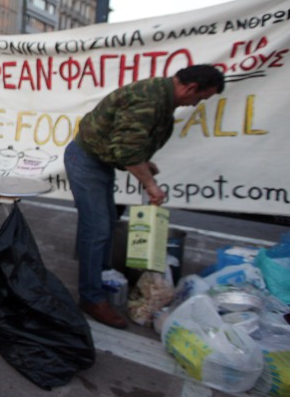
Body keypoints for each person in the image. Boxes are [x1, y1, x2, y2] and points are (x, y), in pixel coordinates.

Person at [64, 65, 226, 329]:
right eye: (200, 98)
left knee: (103, 225)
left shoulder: (161, 97)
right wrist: (150, 185)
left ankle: (99, 276)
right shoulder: (150, 99)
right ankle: (91, 298)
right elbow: (126, 149)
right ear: (191, 88)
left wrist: (144, 163)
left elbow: (131, 140)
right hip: (86, 159)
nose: (197, 103)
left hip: (99, 159)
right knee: (98, 229)